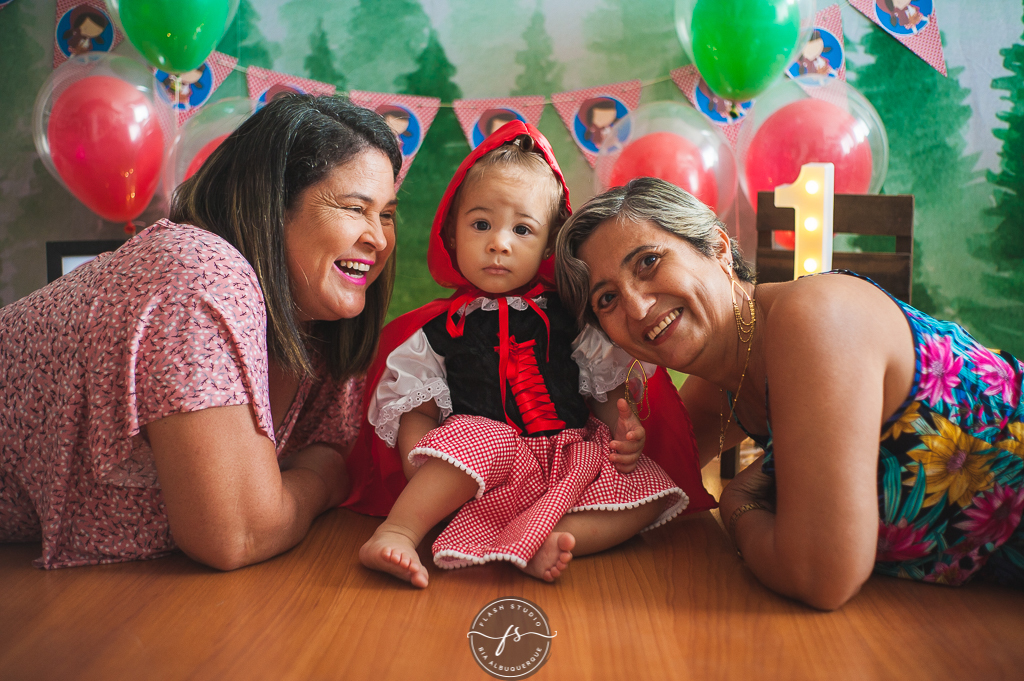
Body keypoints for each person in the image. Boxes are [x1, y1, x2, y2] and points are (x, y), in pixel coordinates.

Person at [555, 177, 1024, 610]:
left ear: (718, 247)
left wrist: (738, 502)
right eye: (607, 300)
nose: (637, 308)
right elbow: (626, 495)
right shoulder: (720, 390)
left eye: (648, 262)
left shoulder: (815, 317)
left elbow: (820, 575)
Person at [0, 95, 402, 571]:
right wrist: (322, 480)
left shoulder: (317, 317)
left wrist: (309, 477)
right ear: (272, 204)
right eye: (356, 208)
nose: (378, 237)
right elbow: (236, 534)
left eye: (388, 214)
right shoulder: (199, 271)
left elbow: (328, 450)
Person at [351, 123, 714, 588]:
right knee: (475, 436)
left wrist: (626, 435)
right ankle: (399, 532)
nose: (499, 242)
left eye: (522, 229)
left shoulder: (573, 319)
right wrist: (417, 462)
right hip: (486, 463)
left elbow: (605, 392)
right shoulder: (438, 333)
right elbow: (415, 408)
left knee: (650, 489)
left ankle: (550, 537)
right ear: (452, 234)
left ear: (548, 245)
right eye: (481, 224)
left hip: (565, 458)